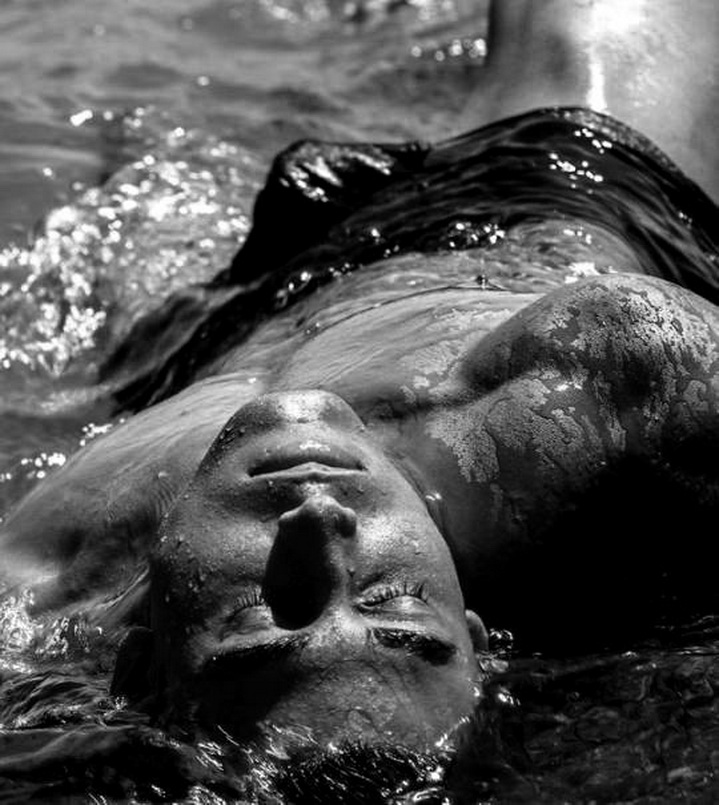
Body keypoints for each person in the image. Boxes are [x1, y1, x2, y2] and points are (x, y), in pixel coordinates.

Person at [1, 0, 718, 764]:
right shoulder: (584, 411)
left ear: (139, 667)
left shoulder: (39, 596)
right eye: (391, 602)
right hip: (514, 224)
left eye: (262, 615)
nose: (319, 522)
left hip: (197, 347)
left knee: (122, 150)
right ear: (474, 638)